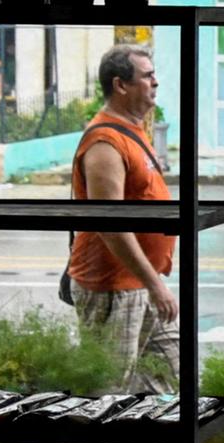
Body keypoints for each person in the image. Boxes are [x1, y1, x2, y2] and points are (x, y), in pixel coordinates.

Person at [66, 45, 177, 389]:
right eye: (147, 76)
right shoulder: (105, 141)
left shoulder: (134, 129)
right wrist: (155, 284)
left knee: (173, 381)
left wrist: (152, 282)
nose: (155, 82)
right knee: (108, 390)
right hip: (113, 287)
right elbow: (109, 223)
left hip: (140, 284)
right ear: (121, 85)